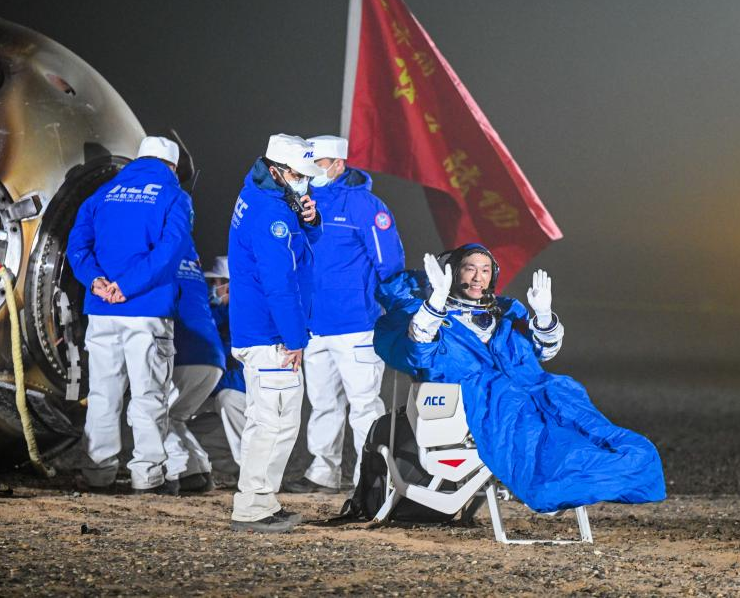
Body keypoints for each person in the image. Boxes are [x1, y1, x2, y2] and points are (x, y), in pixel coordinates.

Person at [373, 244, 666, 513]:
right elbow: (414, 352)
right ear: (452, 271)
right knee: (535, 435)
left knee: (594, 425)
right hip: (483, 395)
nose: (478, 278)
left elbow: (543, 351)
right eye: (470, 269)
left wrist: (544, 316)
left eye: (485, 270)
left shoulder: (506, 312)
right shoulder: (422, 314)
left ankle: (606, 467)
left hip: (537, 388)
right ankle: (560, 481)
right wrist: (435, 304)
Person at [67, 135, 192, 494]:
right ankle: (147, 476)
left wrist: (97, 282)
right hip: (146, 309)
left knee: (104, 392)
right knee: (148, 393)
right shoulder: (174, 196)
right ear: (171, 166)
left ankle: (97, 473)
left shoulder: (101, 195)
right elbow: (172, 251)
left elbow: (77, 247)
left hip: (102, 309)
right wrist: (130, 285)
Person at [286, 135, 405, 494]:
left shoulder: (366, 205)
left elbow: (390, 263)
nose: (311, 171)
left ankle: (371, 478)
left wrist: (396, 309)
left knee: (364, 405)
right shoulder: (298, 203)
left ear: (339, 163)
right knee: (322, 404)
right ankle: (322, 472)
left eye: (318, 163)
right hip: (314, 327)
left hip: (357, 326)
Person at [227, 133, 323, 533]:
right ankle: (253, 508)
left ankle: (259, 501)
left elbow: (301, 249)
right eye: (301, 175)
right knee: (275, 422)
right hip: (271, 334)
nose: (307, 182)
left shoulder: (263, 197)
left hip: (260, 329)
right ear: (280, 171)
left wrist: (311, 220)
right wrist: (294, 338)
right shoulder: (271, 215)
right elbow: (279, 282)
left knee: (267, 420)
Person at [166, 246, 225, 493]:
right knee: (174, 417)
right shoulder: (194, 275)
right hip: (213, 361)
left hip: (187, 356)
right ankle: (198, 471)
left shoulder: (163, 269)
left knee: (153, 417)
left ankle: (179, 471)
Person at [188, 255, 247, 481]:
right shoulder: (219, 317)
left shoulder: (246, 318)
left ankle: (257, 476)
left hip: (249, 404)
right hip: (224, 397)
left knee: (229, 398)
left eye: (217, 282)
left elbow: (240, 379)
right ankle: (223, 471)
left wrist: (203, 386)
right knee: (182, 430)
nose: (213, 288)